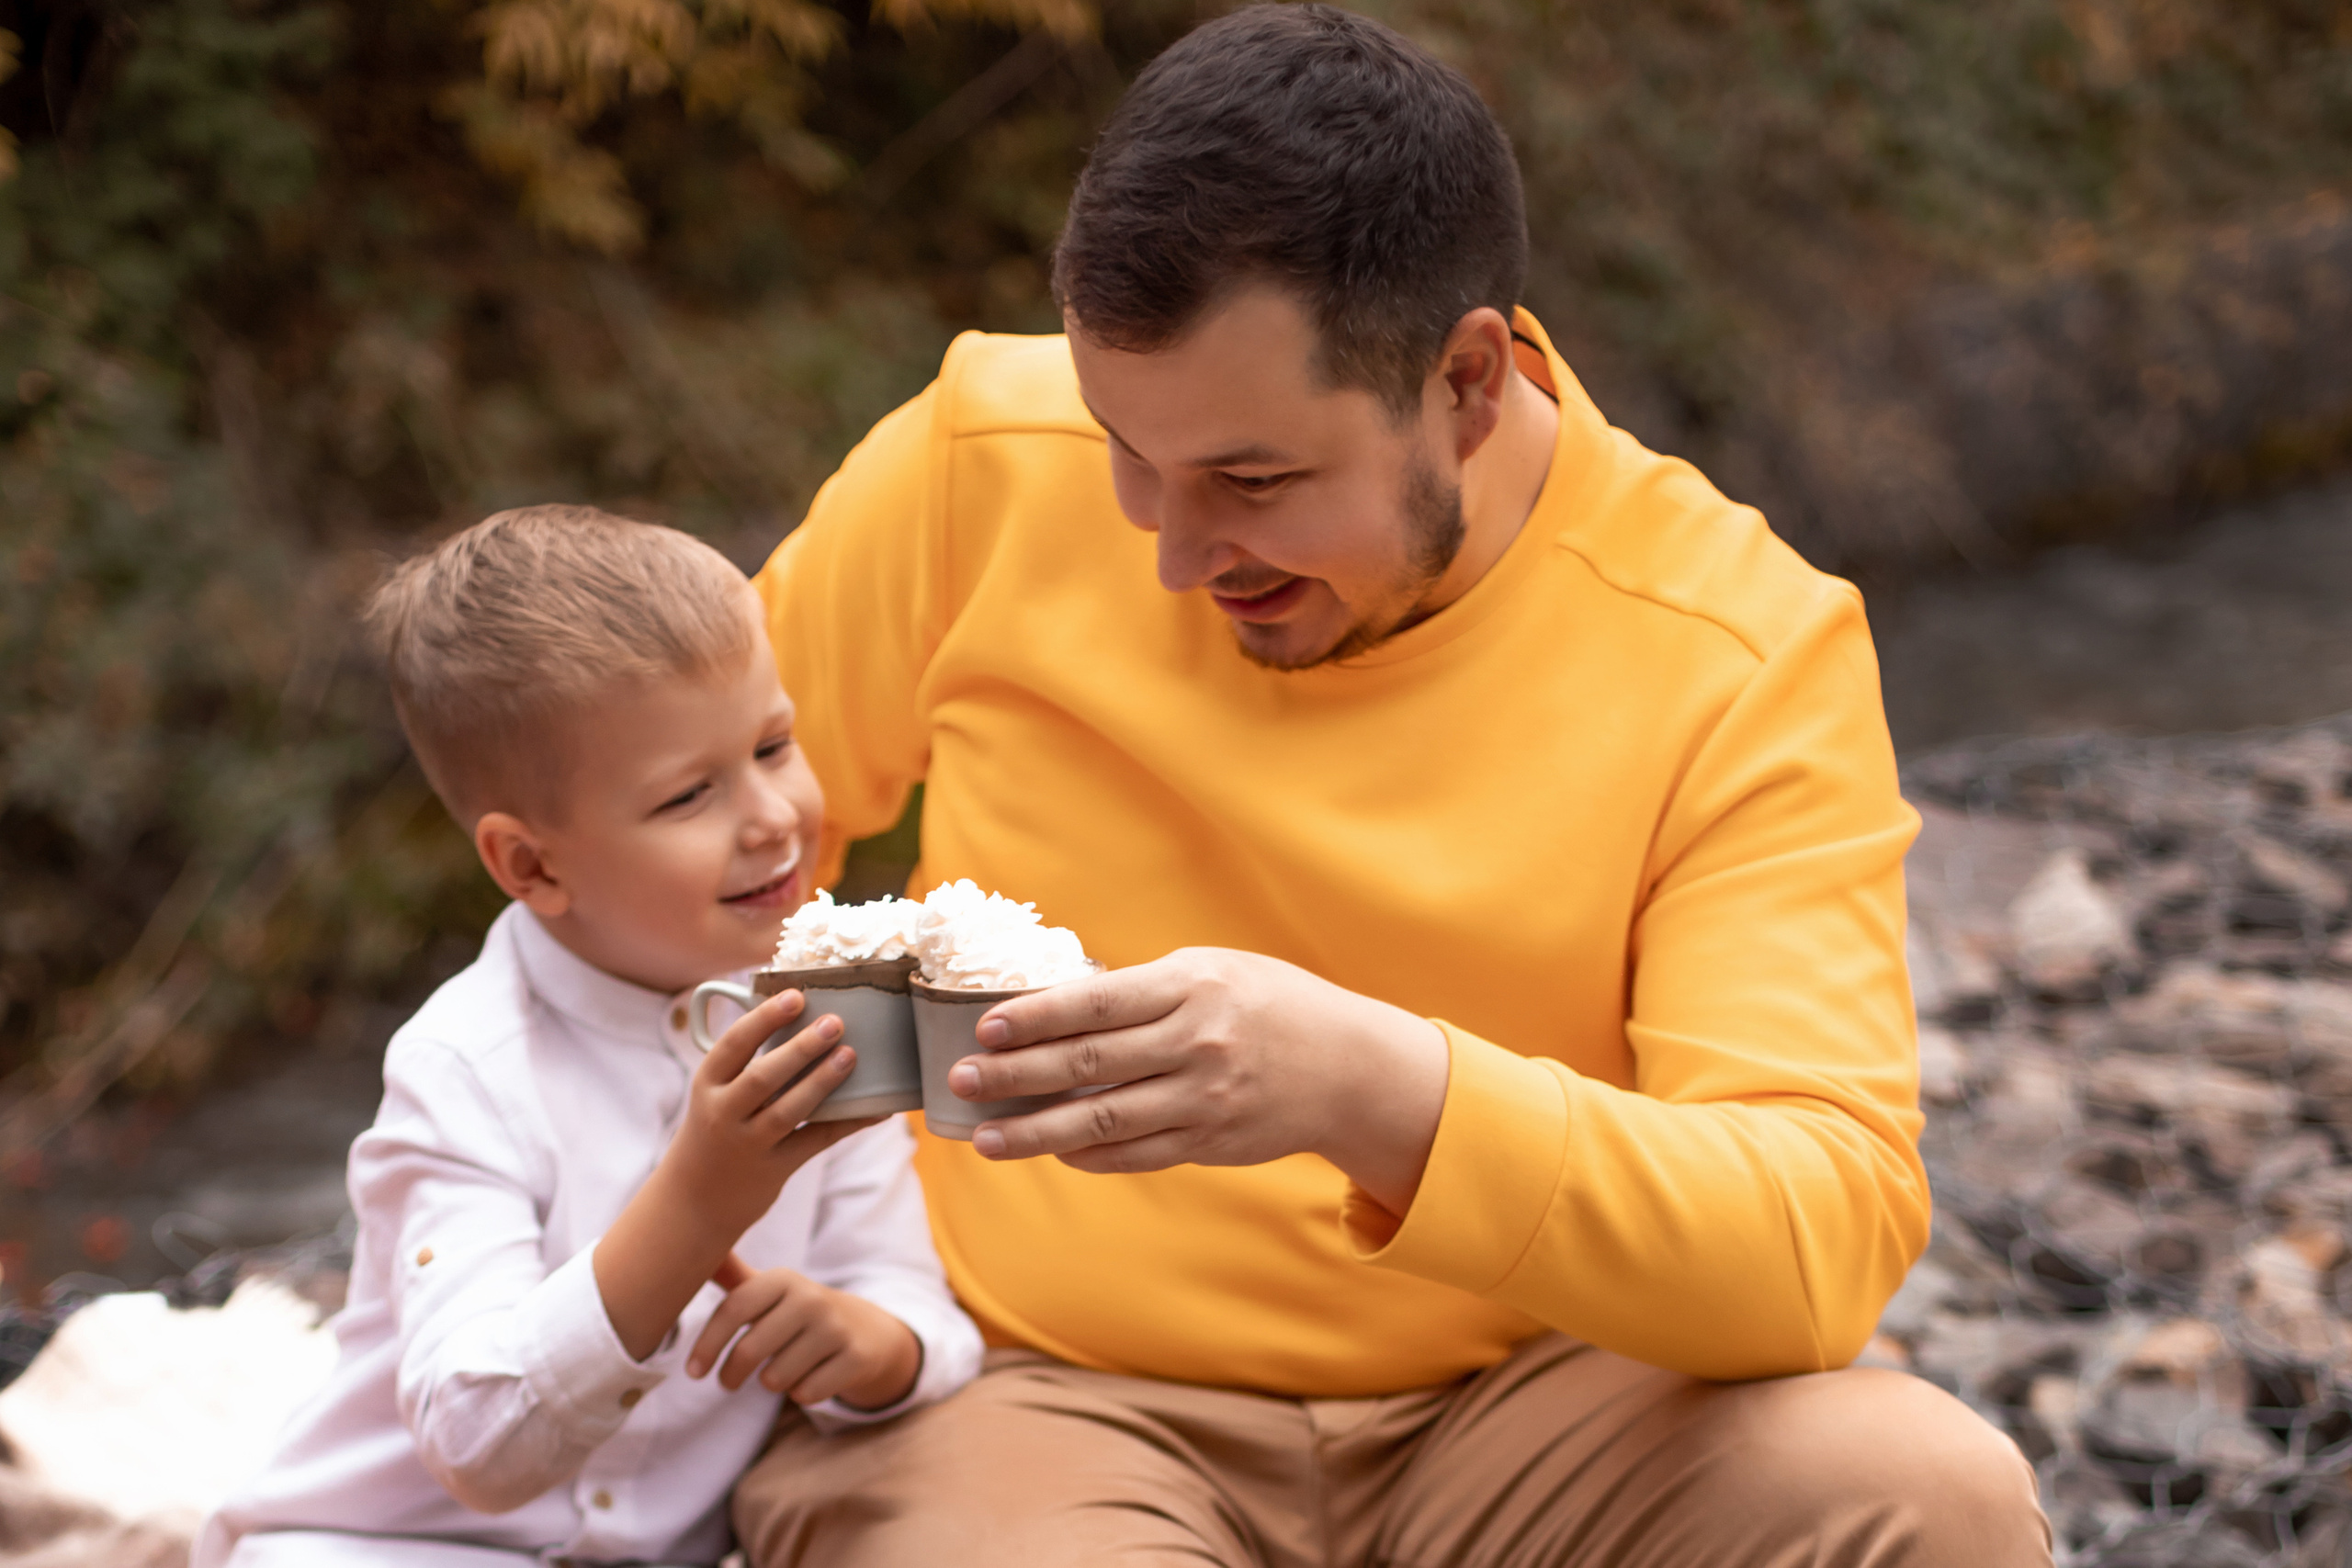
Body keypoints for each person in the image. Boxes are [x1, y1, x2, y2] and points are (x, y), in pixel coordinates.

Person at [731, 6, 2052, 1566]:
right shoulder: (973, 457)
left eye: (1256, 480)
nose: (1168, 546)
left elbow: (1809, 1235)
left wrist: (1373, 1089)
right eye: (1125, 451)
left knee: (1931, 1503)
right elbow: (654, 856)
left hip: (1537, 1405)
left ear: (1470, 382)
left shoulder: (1739, 646)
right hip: (1031, 1392)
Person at [194, 506, 982, 1567]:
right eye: (688, 794)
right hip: (396, 1546)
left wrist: (872, 1348)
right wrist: (698, 1201)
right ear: (532, 868)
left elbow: (912, 1301)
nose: (773, 818)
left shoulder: (826, 1014)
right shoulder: (464, 1069)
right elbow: (475, 1442)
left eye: (773, 745)